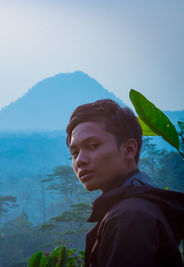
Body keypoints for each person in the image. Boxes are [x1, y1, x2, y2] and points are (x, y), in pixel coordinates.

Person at [66, 99, 184, 267]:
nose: (80, 161)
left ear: (129, 149)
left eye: (93, 146)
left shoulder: (130, 216)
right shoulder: (140, 204)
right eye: (74, 152)